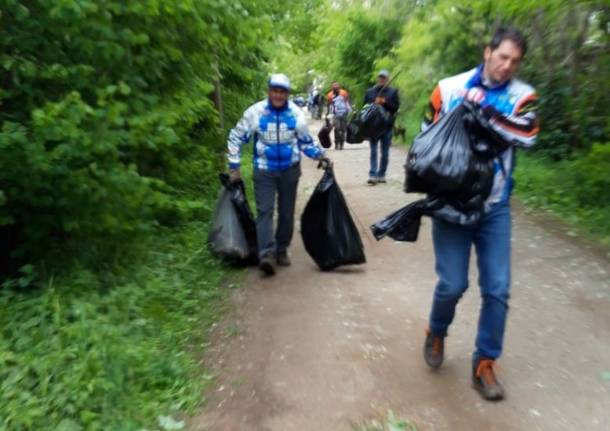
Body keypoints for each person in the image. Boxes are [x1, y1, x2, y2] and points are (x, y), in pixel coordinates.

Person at [421, 26, 539, 401]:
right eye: (502, 56)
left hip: (495, 207)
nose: (507, 66)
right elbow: (426, 137)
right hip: (453, 205)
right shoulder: (448, 88)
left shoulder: (523, 96)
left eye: (515, 61)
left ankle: (484, 363)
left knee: (498, 289)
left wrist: (484, 112)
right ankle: (436, 330)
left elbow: (528, 134)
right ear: (487, 52)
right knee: (453, 284)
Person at [227, 73, 332, 276]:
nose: (278, 95)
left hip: (289, 170)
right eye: (274, 91)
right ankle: (266, 254)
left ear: (287, 94)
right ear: (269, 91)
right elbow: (236, 136)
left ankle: (281, 249)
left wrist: (321, 156)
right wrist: (234, 165)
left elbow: (305, 142)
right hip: (264, 170)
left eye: (282, 92)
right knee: (265, 211)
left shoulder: (295, 115)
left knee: (286, 212)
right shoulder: (255, 113)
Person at [364, 69, 400, 184]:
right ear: (378, 79)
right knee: (373, 151)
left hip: (387, 126)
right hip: (373, 127)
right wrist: (374, 103)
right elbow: (365, 107)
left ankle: (382, 174)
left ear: (388, 79)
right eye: (380, 77)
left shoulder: (393, 92)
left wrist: (384, 102)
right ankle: (372, 175)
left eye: (384, 78)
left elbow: (395, 107)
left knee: (385, 153)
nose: (382, 80)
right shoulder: (370, 92)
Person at [326, 82, 352, 150]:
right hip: (335, 114)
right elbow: (329, 104)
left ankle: (341, 144)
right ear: (332, 88)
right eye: (334, 87)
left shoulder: (344, 93)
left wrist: (350, 110)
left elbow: (346, 102)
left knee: (343, 129)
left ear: (339, 87)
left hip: (344, 113)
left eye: (337, 86)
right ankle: (336, 143)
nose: (336, 88)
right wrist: (328, 114)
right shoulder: (330, 95)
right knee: (337, 128)